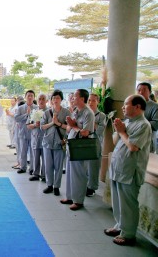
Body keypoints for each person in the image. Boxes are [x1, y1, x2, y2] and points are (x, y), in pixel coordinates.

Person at [104, 94, 151, 246]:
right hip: (119, 168)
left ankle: (129, 234)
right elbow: (117, 141)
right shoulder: (128, 122)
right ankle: (120, 226)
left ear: (137, 107)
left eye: (126, 104)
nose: (123, 107)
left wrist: (122, 131)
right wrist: (118, 129)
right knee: (118, 201)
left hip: (130, 171)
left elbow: (133, 146)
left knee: (128, 204)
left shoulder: (143, 125)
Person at [61, 89, 95, 210]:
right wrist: (70, 124)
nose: (72, 99)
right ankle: (70, 196)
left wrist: (74, 125)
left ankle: (79, 200)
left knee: (79, 174)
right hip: (72, 145)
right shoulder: (76, 111)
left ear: (82, 99)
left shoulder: (88, 113)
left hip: (81, 147)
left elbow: (85, 132)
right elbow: (70, 128)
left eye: (75, 97)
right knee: (70, 172)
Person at [41, 90, 71, 195]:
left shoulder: (66, 112)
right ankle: (49, 185)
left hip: (60, 142)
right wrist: (52, 123)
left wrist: (58, 124)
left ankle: (57, 187)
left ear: (61, 99)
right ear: (51, 100)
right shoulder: (46, 112)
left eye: (58, 98)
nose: (55, 100)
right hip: (47, 142)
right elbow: (42, 127)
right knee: (48, 165)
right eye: (54, 98)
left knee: (58, 167)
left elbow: (69, 128)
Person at [86, 94, 106, 197]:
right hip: (85, 143)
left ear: (97, 101)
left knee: (93, 166)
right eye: (89, 100)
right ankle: (84, 185)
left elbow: (100, 130)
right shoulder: (84, 113)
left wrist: (92, 123)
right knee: (85, 166)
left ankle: (92, 187)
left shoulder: (101, 115)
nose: (91, 103)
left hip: (95, 143)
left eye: (93, 100)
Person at [14, 90, 37, 174]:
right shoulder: (20, 108)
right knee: (23, 151)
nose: (30, 97)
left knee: (32, 152)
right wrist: (26, 115)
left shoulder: (36, 108)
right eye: (28, 96)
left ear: (34, 97)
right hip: (23, 132)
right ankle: (23, 167)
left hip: (33, 133)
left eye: (31, 96)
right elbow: (16, 118)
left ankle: (32, 168)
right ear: (25, 97)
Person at [28, 93, 49, 182]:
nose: (41, 101)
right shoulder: (34, 111)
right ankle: (36, 174)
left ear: (47, 101)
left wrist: (43, 125)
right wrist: (35, 124)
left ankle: (44, 175)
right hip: (35, 137)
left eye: (43, 99)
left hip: (45, 138)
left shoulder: (49, 111)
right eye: (39, 99)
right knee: (35, 157)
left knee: (45, 158)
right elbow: (28, 125)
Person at [136, 82, 158, 153]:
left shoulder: (155, 106)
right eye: (139, 90)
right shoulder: (132, 105)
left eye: (144, 90)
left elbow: (156, 123)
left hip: (147, 140)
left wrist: (137, 125)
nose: (141, 92)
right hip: (133, 139)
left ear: (150, 92)